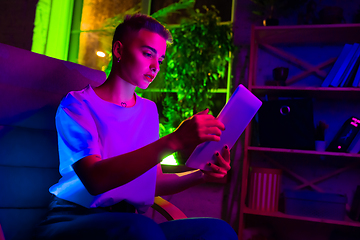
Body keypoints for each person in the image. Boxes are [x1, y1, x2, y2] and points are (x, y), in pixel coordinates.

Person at [35, 14, 237, 240]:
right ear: (119, 51)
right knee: (142, 229)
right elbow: (95, 179)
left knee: (218, 231)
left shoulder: (148, 111)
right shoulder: (78, 105)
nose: (155, 67)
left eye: (160, 60)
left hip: (131, 224)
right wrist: (175, 140)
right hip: (75, 219)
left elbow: (153, 181)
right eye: (148, 54)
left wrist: (201, 176)